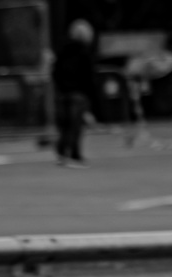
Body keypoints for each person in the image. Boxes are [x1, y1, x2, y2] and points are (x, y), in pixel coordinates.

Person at [52, 19, 96, 167]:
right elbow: (88, 76)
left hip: (63, 92)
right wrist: (90, 95)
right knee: (75, 125)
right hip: (78, 93)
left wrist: (60, 87)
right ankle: (71, 154)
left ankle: (64, 153)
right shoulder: (84, 53)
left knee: (65, 124)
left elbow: (56, 71)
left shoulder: (63, 51)